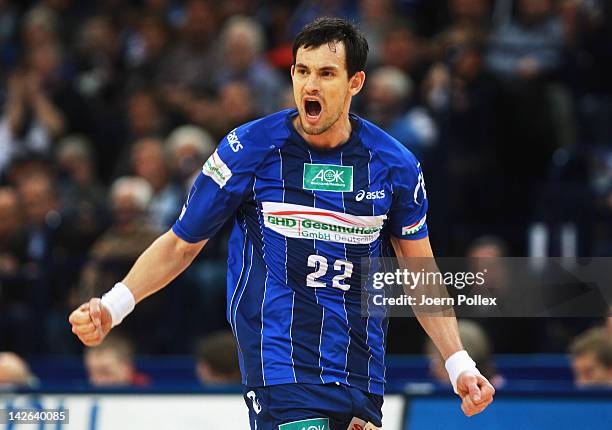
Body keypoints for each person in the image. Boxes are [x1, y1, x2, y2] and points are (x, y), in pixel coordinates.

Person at [69, 18, 495, 428]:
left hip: (362, 371)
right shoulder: (248, 150)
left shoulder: (394, 164)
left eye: (327, 73)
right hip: (280, 365)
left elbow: (420, 271)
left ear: (355, 83)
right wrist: (113, 305)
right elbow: (181, 244)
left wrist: (458, 362)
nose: (310, 85)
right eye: (302, 71)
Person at [84, 333, 150, 387]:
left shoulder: (147, 393)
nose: (96, 381)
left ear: (126, 368)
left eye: (105, 373)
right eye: (92, 374)